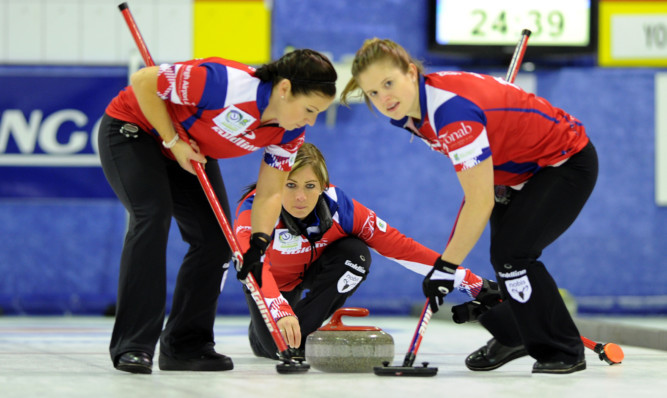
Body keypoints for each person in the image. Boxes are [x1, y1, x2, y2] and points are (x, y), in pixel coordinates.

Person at [340, 38, 598, 374]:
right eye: (372, 93)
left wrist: (446, 268)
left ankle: (563, 350)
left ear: (411, 72)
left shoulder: (452, 113)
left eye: (388, 83)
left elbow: (479, 202)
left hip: (563, 163)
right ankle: (516, 334)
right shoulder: (411, 111)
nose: (383, 98)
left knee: (513, 255)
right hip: (514, 170)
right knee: (505, 257)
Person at [98, 49, 337, 374]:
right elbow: (143, 81)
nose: (310, 121)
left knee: (215, 239)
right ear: (284, 89)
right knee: (153, 215)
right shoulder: (225, 84)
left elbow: (269, 191)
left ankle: (185, 345)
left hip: (189, 150)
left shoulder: (289, 131)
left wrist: (259, 243)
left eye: (318, 113)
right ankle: (133, 345)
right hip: (137, 131)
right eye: (309, 109)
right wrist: (171, 140)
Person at [234, 142, 500, 358]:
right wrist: (278, 307)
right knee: (270, 347)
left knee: (355, 255)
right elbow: (254, 266)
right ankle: (266, 334)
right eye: (290, 185)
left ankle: (298, 332)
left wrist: (471, 283)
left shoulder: (342, 208)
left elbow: (401, 248)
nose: (300, 197)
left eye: (310, 186)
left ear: (323, 187)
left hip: (313, 271)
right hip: (266, 281)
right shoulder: (253, 209)